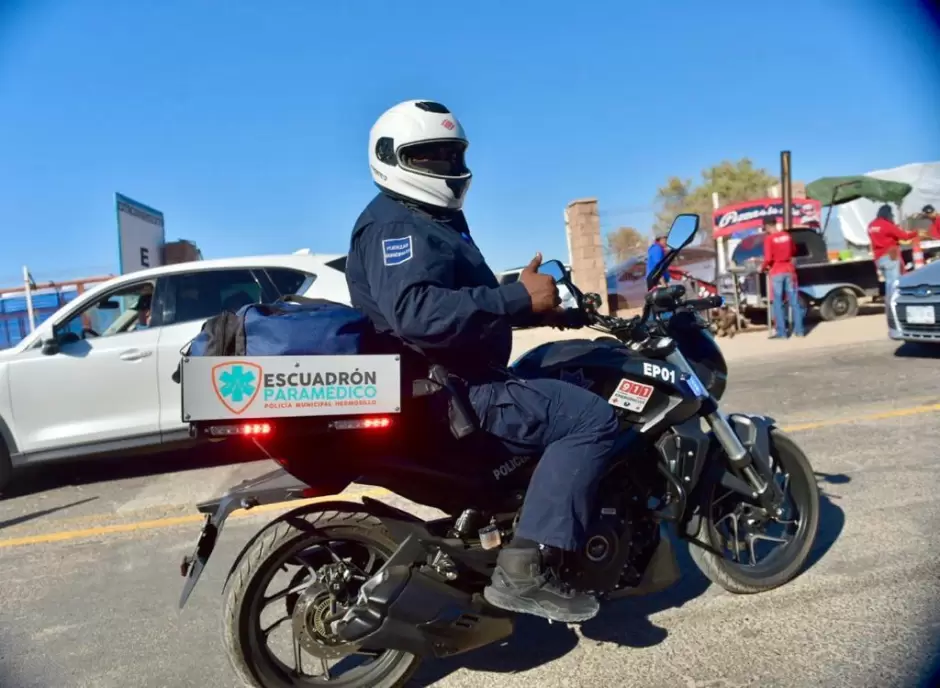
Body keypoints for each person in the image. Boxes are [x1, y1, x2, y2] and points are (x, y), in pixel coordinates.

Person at [345, 99, 621, 623]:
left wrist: (540, 311)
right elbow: (416, 313)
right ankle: (527, 569)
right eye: (429, 155)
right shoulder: (398, 223)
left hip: (457, 381)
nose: (445, 166)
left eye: (451, 154)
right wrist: (516, 299)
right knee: (591, 418)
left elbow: (460, 312)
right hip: (459, 392)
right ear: (391, 158)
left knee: (557, 373)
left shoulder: (429, 217)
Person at [760, 216, 804, 338]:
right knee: (794, 302)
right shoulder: (787, 236)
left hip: (777, 271)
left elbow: (768, 259)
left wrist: (762, 267)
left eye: (765, 228)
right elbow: (794, 251)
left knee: (778, 303)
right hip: (790, 271)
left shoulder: (769, 239)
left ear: (768, 226)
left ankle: (782, 333)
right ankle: (800, 331)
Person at [867, 204, 917, 301]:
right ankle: (894, 302)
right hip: (890, 255)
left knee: (888, 283)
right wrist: (916, 232)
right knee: (894, 282)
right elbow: (904, 236)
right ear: (888, 214)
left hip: (878, 258)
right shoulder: (887, 225)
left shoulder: (871, 225)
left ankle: (889, 301)